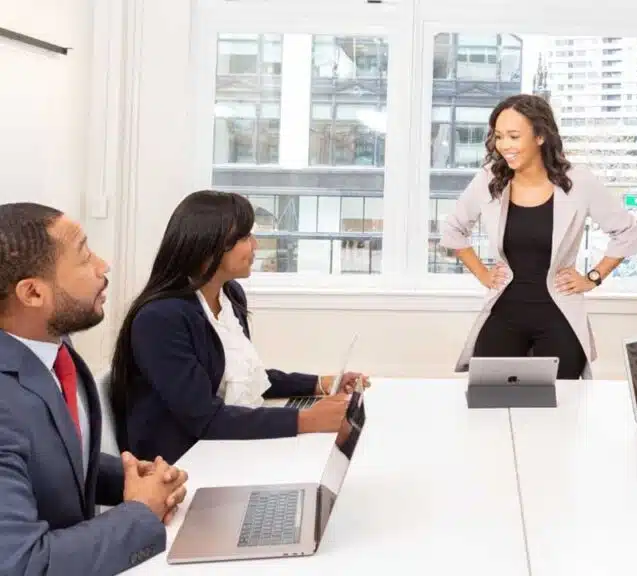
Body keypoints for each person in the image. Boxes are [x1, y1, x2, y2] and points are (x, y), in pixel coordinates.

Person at [110, 191, 369, 465]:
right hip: (183, 463)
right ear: (208, 247)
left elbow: (242, 379)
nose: (255, 245)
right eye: (245, 237)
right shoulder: (160, 319)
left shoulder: (229, 295)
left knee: (339, 440)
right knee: (327, 444)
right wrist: (305, 419)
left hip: (221, 444)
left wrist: (319, 383)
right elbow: (204, 418)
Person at [0, 203, 188, 575]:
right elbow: (24, 564)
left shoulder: (53, 347)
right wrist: (141, 513)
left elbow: (53, 460)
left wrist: (138, 480)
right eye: (84, 255)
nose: (103, 266)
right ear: (33, 293)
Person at [441, 94, 637, 379]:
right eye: (499, 136)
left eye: (514, 136)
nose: (504, 146)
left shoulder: (578, 181)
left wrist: (593, 278)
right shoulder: (489, 179)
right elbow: (453, 230)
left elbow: (627, 232)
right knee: (490, 406)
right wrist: (484, 275)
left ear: (539, 136)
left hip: (559, 317)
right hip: (505, 313)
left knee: (560, 412)